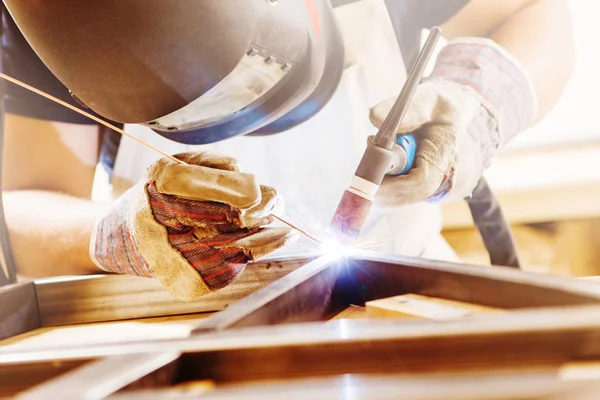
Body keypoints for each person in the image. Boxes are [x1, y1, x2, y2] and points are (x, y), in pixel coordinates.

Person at [1, 0, 574, 300]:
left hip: (406, 301)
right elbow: (26, 203)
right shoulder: (59, 15)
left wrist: (479, 101)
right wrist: (119, 234)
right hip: (188, 334)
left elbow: (532, 9)